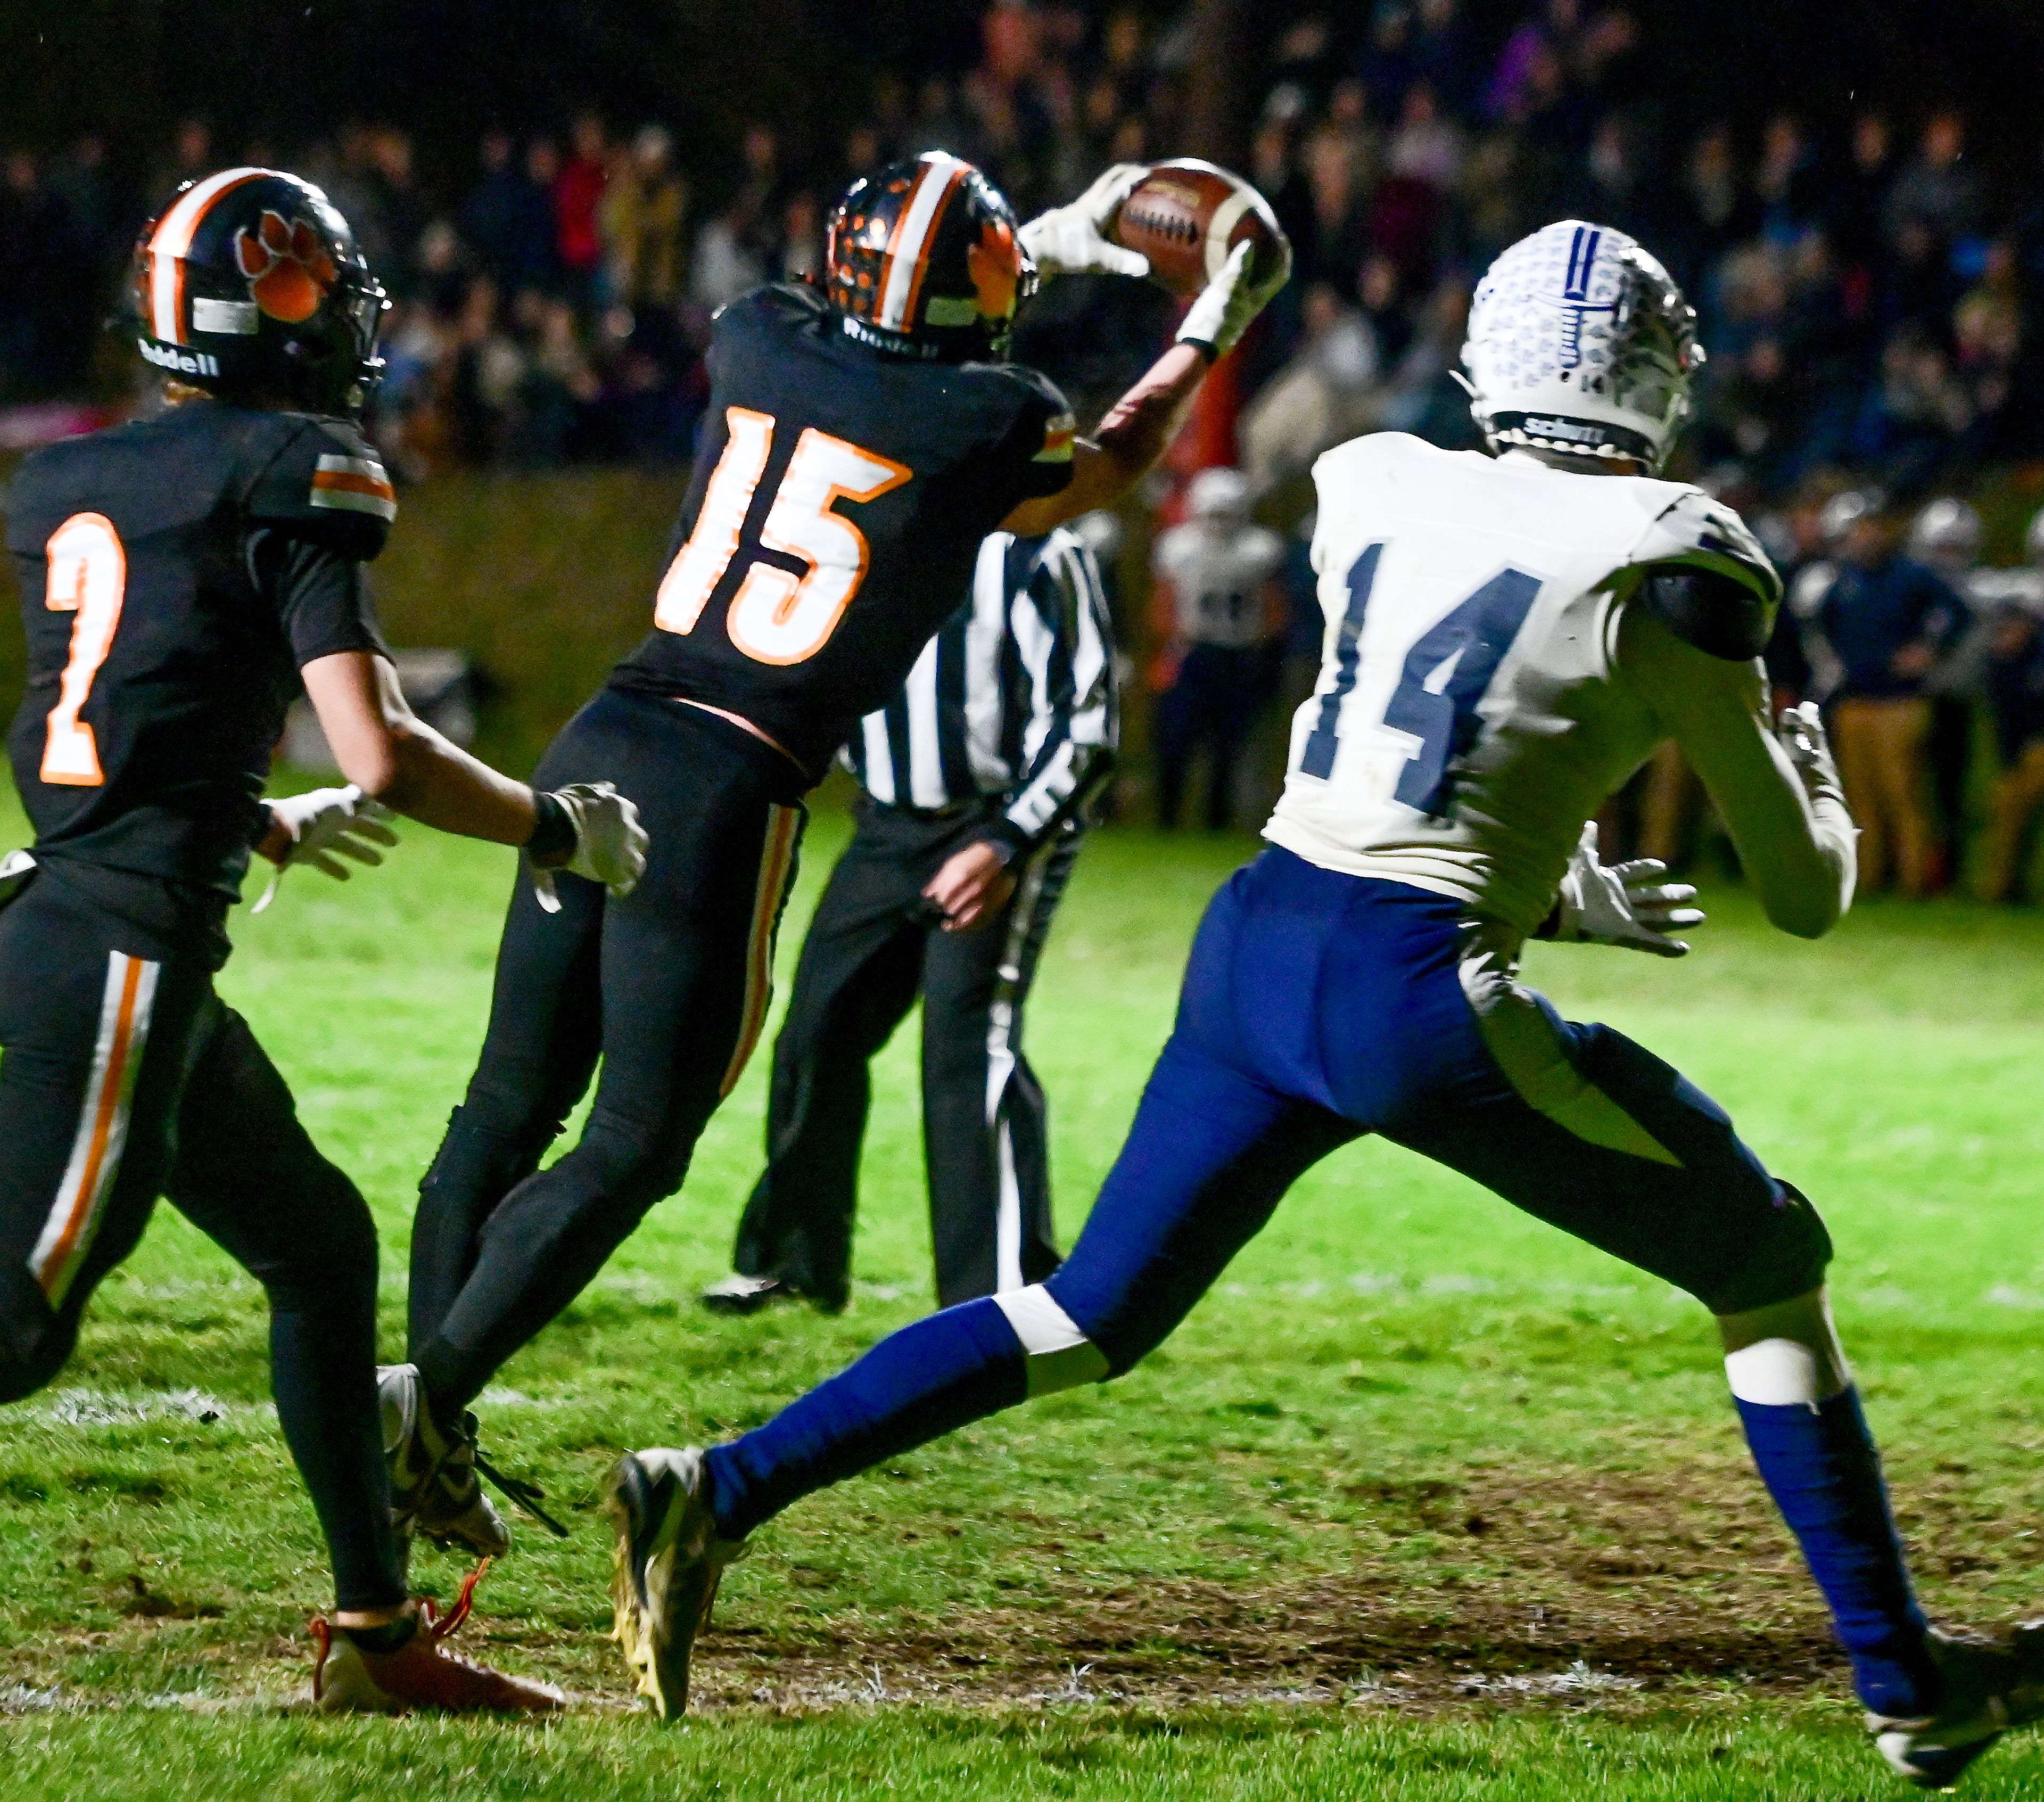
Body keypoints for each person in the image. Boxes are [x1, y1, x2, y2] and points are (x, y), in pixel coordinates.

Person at [604, 221, 2044, 1789]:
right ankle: (1906, 1687)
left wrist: (1549, 888)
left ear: (1486, 351)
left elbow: (1407, 752)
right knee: (1769, 1258)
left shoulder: (1369, 477)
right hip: (1412, 992)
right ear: (1651, 369)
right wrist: (1811, 765)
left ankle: (717, 1487)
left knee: (1084, 1314)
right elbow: (1806, 892)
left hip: (1260, 941)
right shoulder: (1680, 552)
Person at [391, 155, 1289, 1603]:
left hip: (603, 730)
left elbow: (889, 326)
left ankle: (424, 1412)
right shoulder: (990, 417)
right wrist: (1203, 328)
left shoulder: (753, 329)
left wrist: (1048, 241)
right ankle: (425, 1398)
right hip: (728, 779)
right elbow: (1109, 465)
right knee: (633, 1144)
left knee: (507, 1098)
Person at [2, 168, 646, 1713]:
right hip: (117, 964)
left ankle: (376, 1642)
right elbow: (385, 749)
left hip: (78, 911)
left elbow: (129, 720)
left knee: (317, 1242)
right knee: (17, 1330)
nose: (337, 319)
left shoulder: (67, 483)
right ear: (252, 309)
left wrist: (259, 825)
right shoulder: (296, 464)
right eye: (305, 289)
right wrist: (560, 828)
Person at [704, 523, 1115, 1316]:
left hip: (996, 825)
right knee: (816, 1034)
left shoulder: (1034, 553)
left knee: (967, 1048)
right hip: (888, 826)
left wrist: (1006, 844)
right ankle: (795, 1259)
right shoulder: (860, 537)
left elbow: (1089, 725)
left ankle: (999, 1294)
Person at [1814, 503, 1963, 897]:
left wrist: (1928, 651)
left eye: (1874, 528)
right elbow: (1822, 619)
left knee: (1904, 795)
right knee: (1860, 796)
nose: (1867, 536)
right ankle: (1869, 877)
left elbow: (1958, 612)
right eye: (1861, 529)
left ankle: (1914, 879)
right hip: (1856, 700)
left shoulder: (1912, 575)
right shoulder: (1846, 577)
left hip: (1900, 702)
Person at [1150, 466, 1285, 830]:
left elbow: (1275, 609)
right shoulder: (1180, 547)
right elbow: (1164, 604)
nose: (1220, 522)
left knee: (1229, 746)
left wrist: (1258, 648)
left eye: (1227, 513)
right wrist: (1171, 647)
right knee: (1176, 741)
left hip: (1237, 654)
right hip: (1194, 651)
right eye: (1214, 513)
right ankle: (1167, 817)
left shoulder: (1258, 549)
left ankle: (1217, 821)